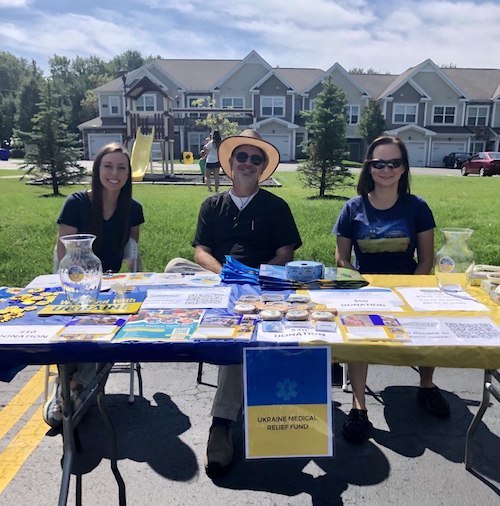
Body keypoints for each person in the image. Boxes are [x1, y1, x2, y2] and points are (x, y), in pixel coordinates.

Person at [165, 129, 302, 475]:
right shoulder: (212, 204)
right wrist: (226, 273)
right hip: (220, 278)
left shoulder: (276, 206)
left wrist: (256, 276)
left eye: (256, 159)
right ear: (230, 163)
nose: (248, 164)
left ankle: (221, 424)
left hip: (261, 282)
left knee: (237, 334)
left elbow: (285, 252)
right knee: (172, 267)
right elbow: (200, 251)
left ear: (263, 168)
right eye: (242, 157)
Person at [333, 135, 450, 443]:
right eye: (379, 163)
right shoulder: (352, 208)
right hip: (365, 288)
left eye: (394, 163)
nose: (386, 169)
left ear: (403, 168)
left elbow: (426, 259)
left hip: (409, 284)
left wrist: (408, 289)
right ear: (369, 168)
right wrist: (358, 285)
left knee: (429, 321)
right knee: (357, 330)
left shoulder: (417, 207)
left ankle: (426, 385)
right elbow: (342, 258)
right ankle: (359, 404)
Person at [43, 142, 145, 428]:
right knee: (83, 325)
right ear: (97, 169)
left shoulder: (133, 209)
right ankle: (73, 388)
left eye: (121, 167)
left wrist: (139, 288)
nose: (115, 173)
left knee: (107, 324)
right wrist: (82, 290)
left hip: (112, 288)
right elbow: (64, 255)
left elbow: (132, 253)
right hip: (77, 286)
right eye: (108, 166)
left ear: (128, 174)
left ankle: (71, 387)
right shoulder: (76, 204)